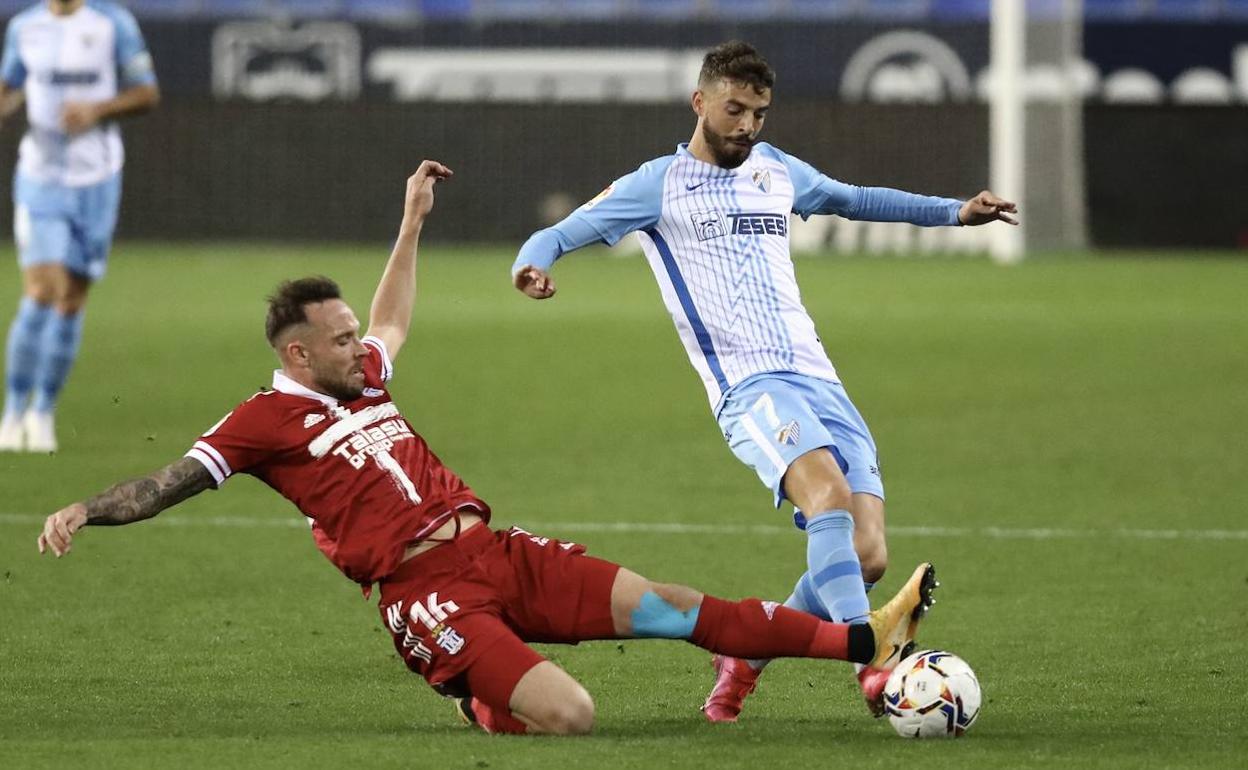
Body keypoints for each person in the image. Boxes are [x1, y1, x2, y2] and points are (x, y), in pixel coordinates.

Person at [37, 161, 936, 735]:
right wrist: (86, 507)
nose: (364, 347)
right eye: (342, 340)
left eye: (357, 336)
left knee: (670, 604)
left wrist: (412, 221)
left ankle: (860, 641)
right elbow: (168, 482)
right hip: (426, 597)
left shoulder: (365, 376)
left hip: (493, 551)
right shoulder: (260, 423)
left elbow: (390, 315)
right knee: (574, 717)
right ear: (296, 355)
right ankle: (476, 696)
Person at [510, 41, 1015, 723]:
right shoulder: (656, 185)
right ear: (701, 103)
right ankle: (871, 660)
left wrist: (954, 212)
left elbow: (854, 198)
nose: (748, 125)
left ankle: (746, 656)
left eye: (759, 113)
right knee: (828, 499)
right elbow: (558, 233)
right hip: (749, 388)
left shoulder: (776, 170)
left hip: (820, 380)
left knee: (866, 555)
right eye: (735, 109)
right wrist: (531, 265)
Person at [0, 0, 159, 452]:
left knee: (72, 298)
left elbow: (146, 93)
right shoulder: (25, 28)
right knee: (42, 289)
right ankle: (12, 411)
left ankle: (43, 410)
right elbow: (9, 86)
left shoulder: (113, 24)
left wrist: (96, 110)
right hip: (41, 178)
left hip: (97, 178)